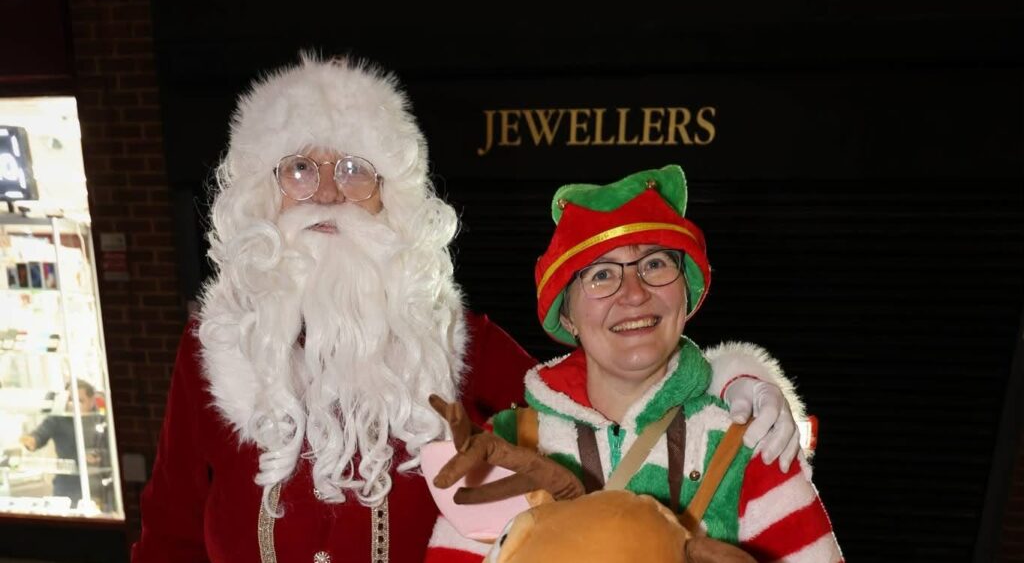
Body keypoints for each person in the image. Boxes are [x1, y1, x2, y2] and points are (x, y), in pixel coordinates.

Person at [132, 56, 805, 563]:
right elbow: (168, 531)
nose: (328, 193)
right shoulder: (212, 345)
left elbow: (607, 398)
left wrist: (736, 381)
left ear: (390, 197)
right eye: (300, 168)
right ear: (262, 191)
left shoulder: (458, 342)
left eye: (355, 169)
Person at [425, 165, 842, 562]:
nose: (634, 293)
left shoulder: (746, 444)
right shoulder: (507, 446)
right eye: (602, 275)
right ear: (566, 314)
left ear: (686, 292)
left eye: (655, 264)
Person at [20, 379, 109, 507]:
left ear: (91, 401)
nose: (73, 404)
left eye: (80, 400)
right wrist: (32, 440)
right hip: (66, 487)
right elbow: (41, 433)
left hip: (97, 488)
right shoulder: (59, 418)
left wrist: (99, 456)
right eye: (70, 399)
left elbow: (111, 451)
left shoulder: (102, 421)